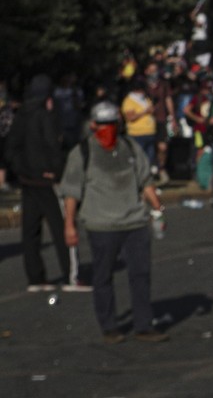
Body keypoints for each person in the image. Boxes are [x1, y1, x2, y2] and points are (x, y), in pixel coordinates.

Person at [59, 102, 167, 341]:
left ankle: (143, 325)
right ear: (93, 125)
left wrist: (157, 207)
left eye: (112, 124)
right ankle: (109, 326)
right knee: (103, 276)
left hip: (135, 222)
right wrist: (69, 225)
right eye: (103, 125)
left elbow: (145, 180)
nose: (108, 129)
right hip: (101, 225)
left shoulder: (130, 147)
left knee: (141, 274)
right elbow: (71, 193)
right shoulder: (82, 153)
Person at [8, 75, 74, 291]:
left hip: (28, 180)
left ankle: (36, 278)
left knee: (30, 231)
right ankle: (70, 273)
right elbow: (52, 147)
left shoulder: (21, 116)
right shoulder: (45, 116)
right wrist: (56, 172)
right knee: (61, 226)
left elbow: (11, 149)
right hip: (45, 180)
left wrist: (22, 171)